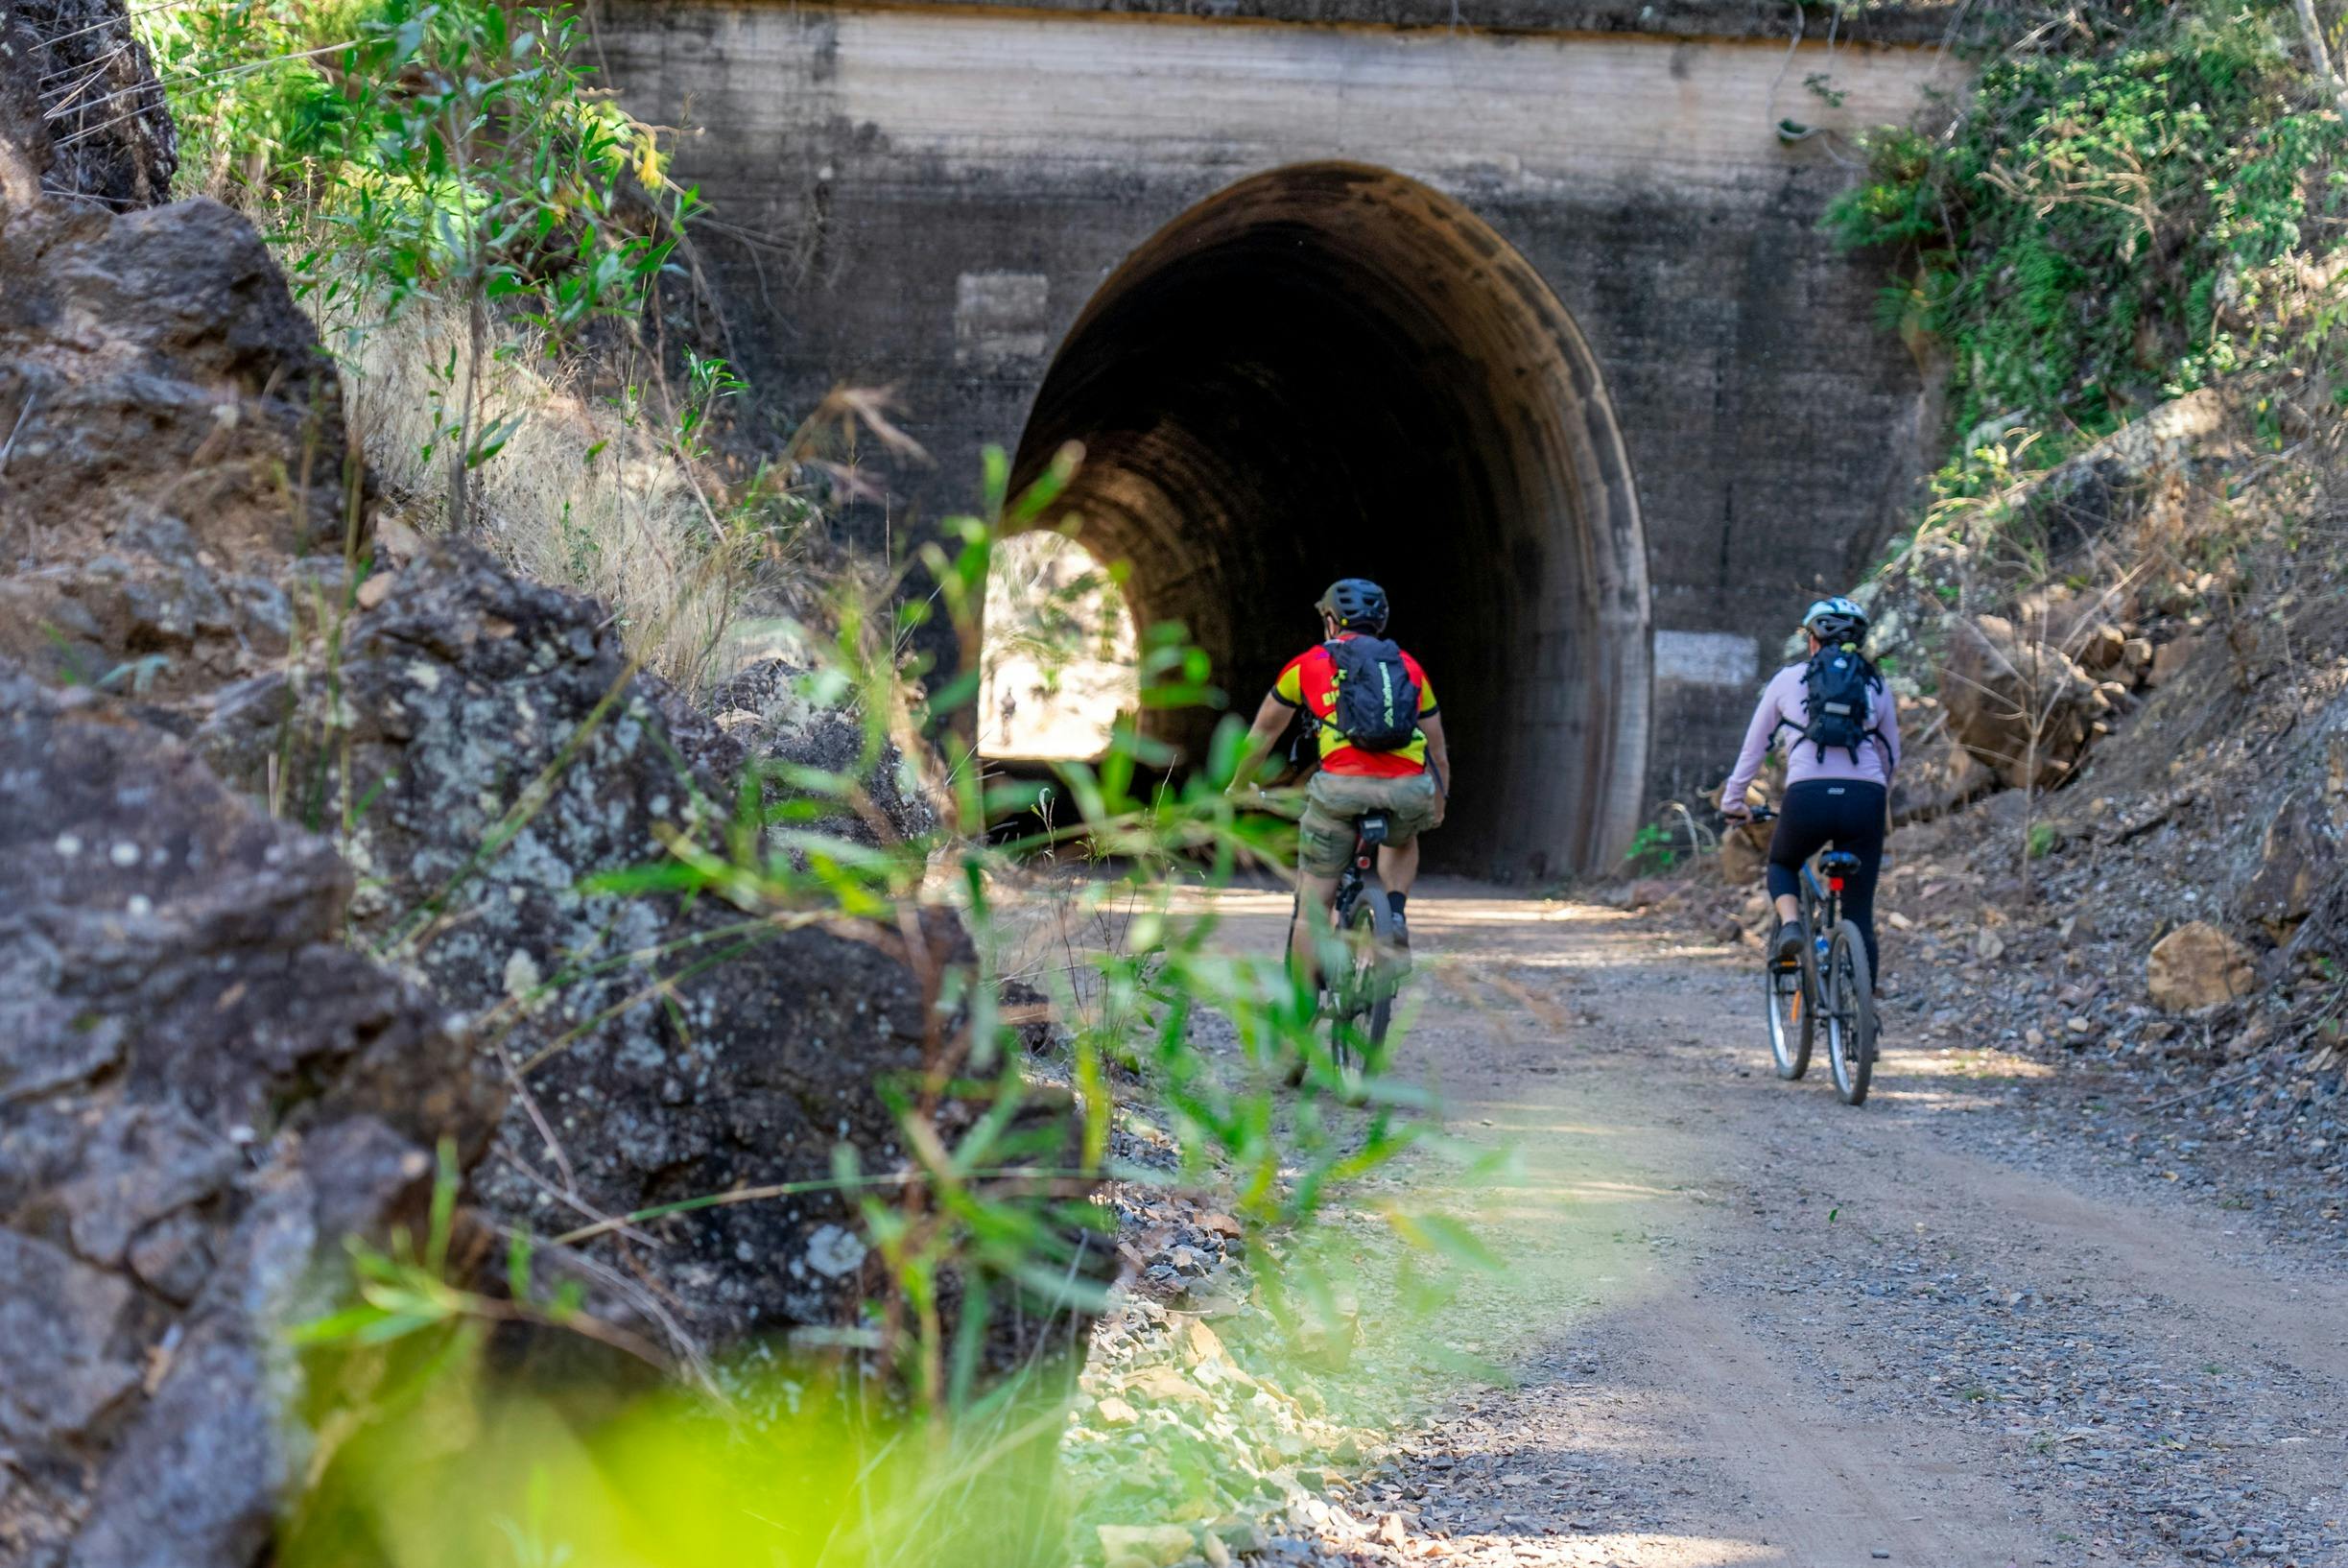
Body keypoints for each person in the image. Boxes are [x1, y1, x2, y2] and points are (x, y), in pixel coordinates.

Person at [1226, 579, 1450, 993]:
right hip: (1406, 789)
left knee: (1313, 904)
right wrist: (1438, 802)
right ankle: (1394, 916)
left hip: (1341, 790)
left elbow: (1264, 733)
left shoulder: (1307, 665)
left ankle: (1299, 1019)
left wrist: (1240, 783)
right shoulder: (1408, 668)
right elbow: (1435, 748)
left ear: (1330, 621)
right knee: (1402, 837)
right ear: (1380, 622)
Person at [1721, 595, 1901, 986]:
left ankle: (1790, 926)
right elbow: (1891, 755)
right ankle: (1864, 1024)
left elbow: (1754, 749)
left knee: (1783, 863)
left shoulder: (1788, 680)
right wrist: (1873, 791)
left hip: (1808, 797)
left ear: (1812, 640)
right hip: (1865, 798)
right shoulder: (1876, 685)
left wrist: (1733, 802)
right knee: (1859, 915)